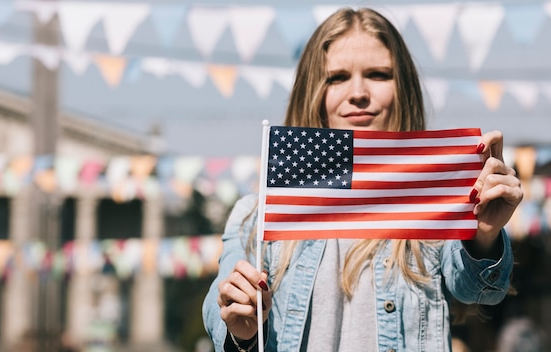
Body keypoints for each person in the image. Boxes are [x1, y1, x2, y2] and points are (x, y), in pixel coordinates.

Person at [203, 7, 522, 352]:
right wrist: (241, 329)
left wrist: (485, 237)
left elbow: (477, 290)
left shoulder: (437, 198)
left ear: (404, 89)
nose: (358, 92)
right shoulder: (257, 213)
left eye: (378, 74)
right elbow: (220, 315)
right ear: (314, 91)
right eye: (337, 77)